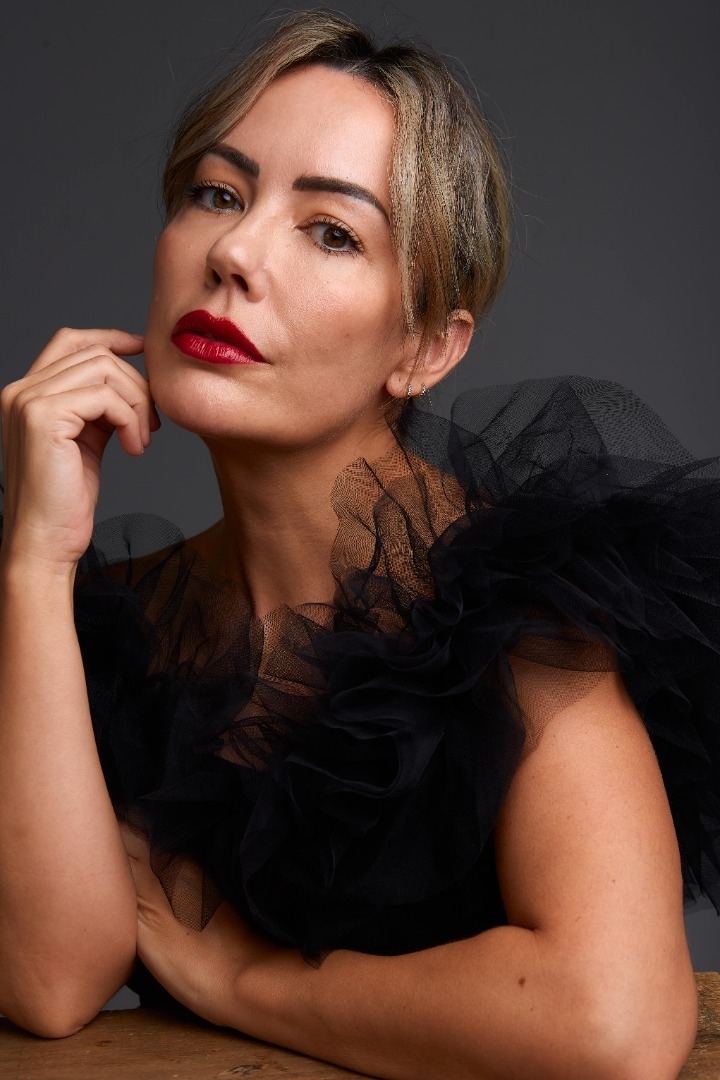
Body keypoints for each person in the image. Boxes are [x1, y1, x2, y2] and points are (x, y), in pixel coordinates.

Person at [0, 9, 718, 1078]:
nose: (234, 253)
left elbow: (615, 1027)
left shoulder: (512, 602)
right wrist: (34, 563)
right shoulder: (115, 622)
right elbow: (50, 981)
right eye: (218, 193)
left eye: (331, 231)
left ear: (425, 347)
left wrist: (244, 981)